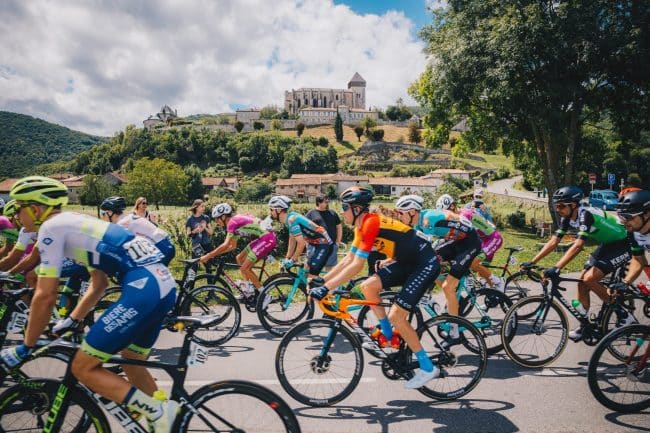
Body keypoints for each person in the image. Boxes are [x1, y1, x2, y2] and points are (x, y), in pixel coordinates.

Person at [0, 176, 178, 433]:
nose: (16, 215)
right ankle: (165, 424)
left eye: (18, 208)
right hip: (162, 285)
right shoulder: (75, 224)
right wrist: (71, 320)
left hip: (144, 287)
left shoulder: (51, 228)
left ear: (35, 209)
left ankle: (159, 412)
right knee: (130, 360)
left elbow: (45, 295)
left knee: (83, 367)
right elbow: (99, 283)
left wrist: (25, 347)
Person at [309, 186, 442, 389]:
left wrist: (326, 289)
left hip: (424, 263)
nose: (341, 210)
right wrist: (323, 280)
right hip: (407, 262)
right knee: (368, 286)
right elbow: (349, 259)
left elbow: (357, 266)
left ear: (357, 209)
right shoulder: (360, 227)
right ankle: (388, 335)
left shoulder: (371, 223)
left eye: (344, 207)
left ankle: (427, 366)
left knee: (397, 316)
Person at [521, 186, 634, 341]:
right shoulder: (567, 218)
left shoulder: (585, 214)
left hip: (623, 243)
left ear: (573, 205)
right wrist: (532, 261)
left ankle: (623, 315)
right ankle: (584, 325)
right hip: (607, 244)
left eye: (561, 206)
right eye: (556, 206)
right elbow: (554, 240)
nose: (558, 209)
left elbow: (579, 245)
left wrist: (557, 267)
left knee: (589, 279)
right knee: (582, 282)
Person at [394, 194, 482, 349]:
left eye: (401, 213)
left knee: (448, 286)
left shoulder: (428, 220)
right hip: (456, 241)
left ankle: (455, 333)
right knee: (433, 266)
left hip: (470, 243)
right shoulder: (417, 223)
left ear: (412, 211)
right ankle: (446, 301)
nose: (399, 216)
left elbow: (423, 250)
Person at [199, 203, 277, 295]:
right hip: (262, 238)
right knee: (239, 258)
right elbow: (232, 246)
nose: (216, 222)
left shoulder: (232, 222)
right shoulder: (234, 223)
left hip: (267, 238)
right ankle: (248, 288)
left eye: (217, 219)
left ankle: (264, 295)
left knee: (245, 268)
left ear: (223, 217)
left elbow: (225, 245)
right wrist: (215, 254)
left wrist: (208, 256)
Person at [436, 194, 505, 291]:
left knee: (473, 263)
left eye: (446, 211)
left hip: (493, 238)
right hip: (483, 241)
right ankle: (494, 294)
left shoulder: (465, 214)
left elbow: (488, 231)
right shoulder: (457, 218)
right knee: (479, 270)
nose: (446, 215)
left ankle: (499, 281)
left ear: (452, 206)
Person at [268, 195, 333, 276]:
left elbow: (301, 244)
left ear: (278, 209)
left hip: (324, 244)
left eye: (271, 209)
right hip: (315, 244)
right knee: (305, 273)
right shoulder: (290, 218)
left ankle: (327, 287)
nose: (270, 212)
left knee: (312, 276)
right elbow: (292, 240)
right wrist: (287, 258)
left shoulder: (291, 219)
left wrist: (293, 260)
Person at [101, 196, 175, 265]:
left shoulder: (121, 224)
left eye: (103, 213)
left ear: (110, 213)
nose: (102, 217)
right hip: (165, 242)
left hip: (161, 246)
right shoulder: (128, 217)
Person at [615, 190, 650, 285]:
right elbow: (638, 259)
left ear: (647, 214)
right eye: (621, 217)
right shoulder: (633, 231)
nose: (623, 222)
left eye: (628, 217)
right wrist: (625, 282)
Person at [306, 195, 342, 271]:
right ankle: (308, 282)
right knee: (310, 266)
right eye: (325, 202)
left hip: (330, 245)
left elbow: (339, 227)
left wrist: (338, 242)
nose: (327, 203)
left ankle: (328, 282)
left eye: (327, 201)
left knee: (330, 267)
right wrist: (307, 242)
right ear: (319, 202)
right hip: (314, 246)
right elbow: (305, 228)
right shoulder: (311, 213)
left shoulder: (332, 213)